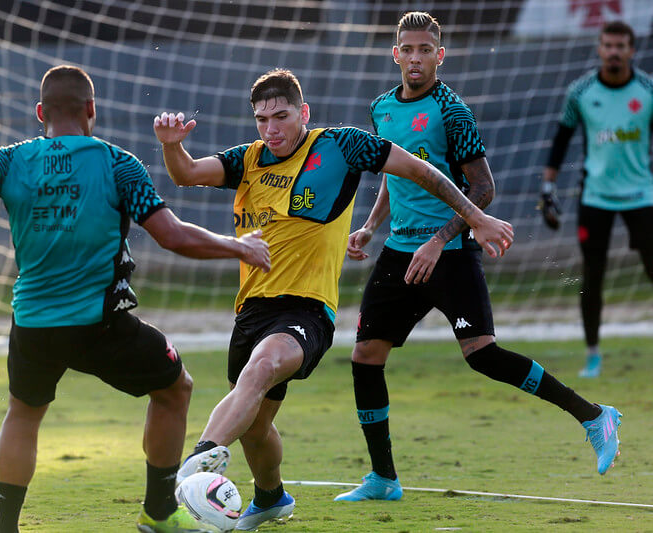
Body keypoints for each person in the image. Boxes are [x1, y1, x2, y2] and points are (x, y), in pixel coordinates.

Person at [0, 65, 271, 533]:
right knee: (175, 388)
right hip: (100, 325)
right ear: (91, 109)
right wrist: (238, 246)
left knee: (23, 413)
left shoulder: (5, 162)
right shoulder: (118, 163)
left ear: (41, 112)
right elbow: (173, 236)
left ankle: (6, 528)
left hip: (33, 322)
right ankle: (158, 513)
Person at [153, 68, 514, 529]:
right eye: (262, 120)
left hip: (306, 309)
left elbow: (420, 170)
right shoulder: (248, 159)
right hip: (251, 310)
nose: (271, 129)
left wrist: (475, 216)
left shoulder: (341, 145)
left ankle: (194, 467)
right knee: (255, 427)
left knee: (262, 369)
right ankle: (271, 498)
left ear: (303, 112)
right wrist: (171, 145)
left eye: (281, 117)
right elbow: (185, 173)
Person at [335, 12, 623, 504]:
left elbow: (484, 188)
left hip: (449, 252)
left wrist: (438, 239)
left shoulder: (453, 112)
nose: (416, 58)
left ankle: (594, 416)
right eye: (408, 49)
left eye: (426, 50)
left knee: (482, 355)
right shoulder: (381, 107)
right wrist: (370, 226)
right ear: (395, 54)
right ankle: (383, 478)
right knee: (365, 356)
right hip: (398, 253)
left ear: (440, 56)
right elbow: (395, 173)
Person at [541, 20, 653, 378]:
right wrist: (548, 188)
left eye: (621, 46)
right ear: (599, 49)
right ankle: (592, 355)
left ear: (631, 50)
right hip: (596, 197)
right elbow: (561, 140)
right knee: (593, 276)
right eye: (608, 45)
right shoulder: (580, 92)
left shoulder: (648, 90)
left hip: (642, 195)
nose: (614, 52)